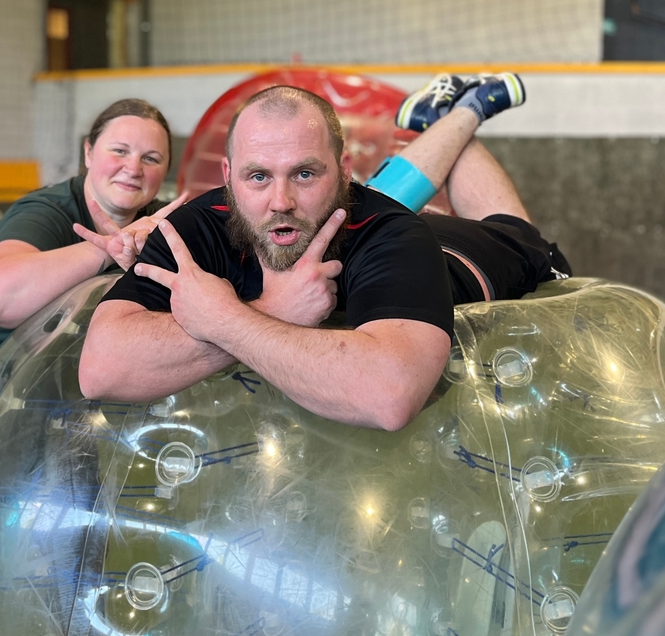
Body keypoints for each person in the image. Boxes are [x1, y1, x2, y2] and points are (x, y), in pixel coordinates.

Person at [79, 74, 570, 431]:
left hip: (454, 257)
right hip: (366, 240)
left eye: (305, 174)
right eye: (258, 176)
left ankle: (458, 115)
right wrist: (273, 311)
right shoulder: (198, 225)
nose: (280, 201)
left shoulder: (394, 234)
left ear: (343, 169)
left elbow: (388, 397)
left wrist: (226, 321)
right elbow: (100, 368)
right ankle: (441, 119)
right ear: (226, 177)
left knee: (516, 233)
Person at [0, 99, 179, 510]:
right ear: (88, 152)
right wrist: (106, 251)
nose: (133, 168)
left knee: (76, 551)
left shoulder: (153, 223)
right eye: (119, 151)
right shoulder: (46, 212)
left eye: (151, 158)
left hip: (41, 407)